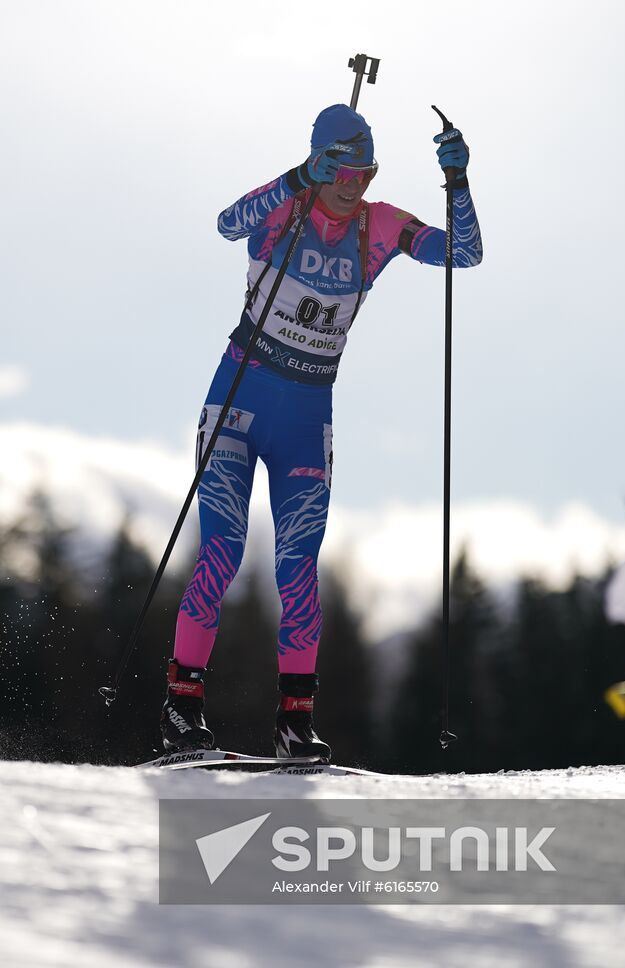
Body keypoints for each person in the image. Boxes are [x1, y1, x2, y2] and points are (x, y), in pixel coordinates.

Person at [160, 104, 483, 760]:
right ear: (317, 162)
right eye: (337, 168)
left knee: (299, 569)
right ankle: (181, 708)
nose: (350, 183)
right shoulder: (286, 206)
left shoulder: (381, 225)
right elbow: (227, 224)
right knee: (221, 551)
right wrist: (293, 178)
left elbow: (466, 254)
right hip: (238, 403)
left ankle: (294, 722)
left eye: (362, 171)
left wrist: (459, 185)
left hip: (307, 418)